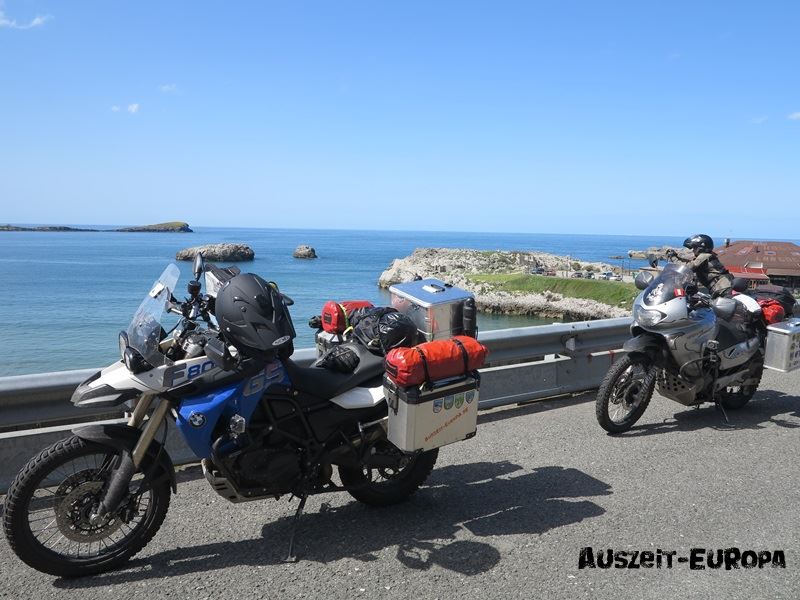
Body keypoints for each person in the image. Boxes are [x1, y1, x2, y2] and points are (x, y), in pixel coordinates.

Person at [666, 234, 734, 298]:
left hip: (723, 288)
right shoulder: (707, 256)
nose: (693, 250)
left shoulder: (704, 256)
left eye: (694, 248)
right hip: (720, 288)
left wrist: (673, 258)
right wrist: (677, 257)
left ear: (700, 248)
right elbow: (690, 263)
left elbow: (688, 267)